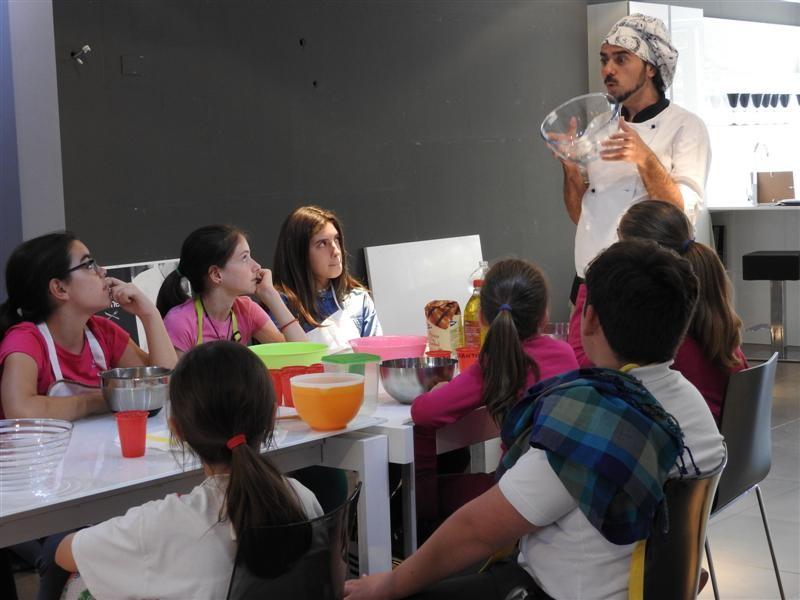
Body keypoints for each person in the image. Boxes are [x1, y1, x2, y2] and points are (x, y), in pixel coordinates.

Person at [343, 240, 725, 600]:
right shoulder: (694, 407)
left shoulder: (595, 424)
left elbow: (476, 531)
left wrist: (389, 584)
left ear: (589, 319)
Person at [54, 341, 323, 599]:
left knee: (80, 584)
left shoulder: (160, 523)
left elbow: (65, 553)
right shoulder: (302, 497)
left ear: (177, 430)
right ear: (273, 417)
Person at [410, 259, 578, 536]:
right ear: (544, 315)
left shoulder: (494, 362)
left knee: (421, 490)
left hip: (513, 493)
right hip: (562, 485)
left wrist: (437, 392)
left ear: (481, 318)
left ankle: (416, 532)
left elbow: (422, 413)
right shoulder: (566, 353)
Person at [557, 13, 710, 304]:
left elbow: (682, 218)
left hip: (645, 284)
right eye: (604, 60)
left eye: (621, 59)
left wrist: (645, 159)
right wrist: (570, 167)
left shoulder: (686, 126)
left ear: (650, 68)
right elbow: (581, 216)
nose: (608, 70)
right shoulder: (599, 126)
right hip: (587, 278)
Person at [568, 199, 747, 424]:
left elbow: (585, 367)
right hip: (713, 436)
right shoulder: (718, 326)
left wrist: (589, 288)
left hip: (674, 439)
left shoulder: (661, 335)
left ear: (638, 258)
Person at [0, 232, 178, 421]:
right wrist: (97, 400)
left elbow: (165, 386)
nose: (103, 271)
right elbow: (21, 411)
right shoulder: (26, 339)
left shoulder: (103, 331)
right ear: (60, 288)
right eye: (89, 264)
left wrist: (149, 315)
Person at [157, 225, 307, 355]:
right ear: (216, 274)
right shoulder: (180, 322)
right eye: (244, 258)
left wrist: (271, 295)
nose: (257, 266)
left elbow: (302, 354)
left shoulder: (246, 310)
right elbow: (175, 379)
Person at [273, 206, 381, 353]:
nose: (336, 251)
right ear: (299, 254)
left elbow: (375, 357)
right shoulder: (279, 305)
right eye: (322, 244)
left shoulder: (358, 299)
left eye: (336, 239)